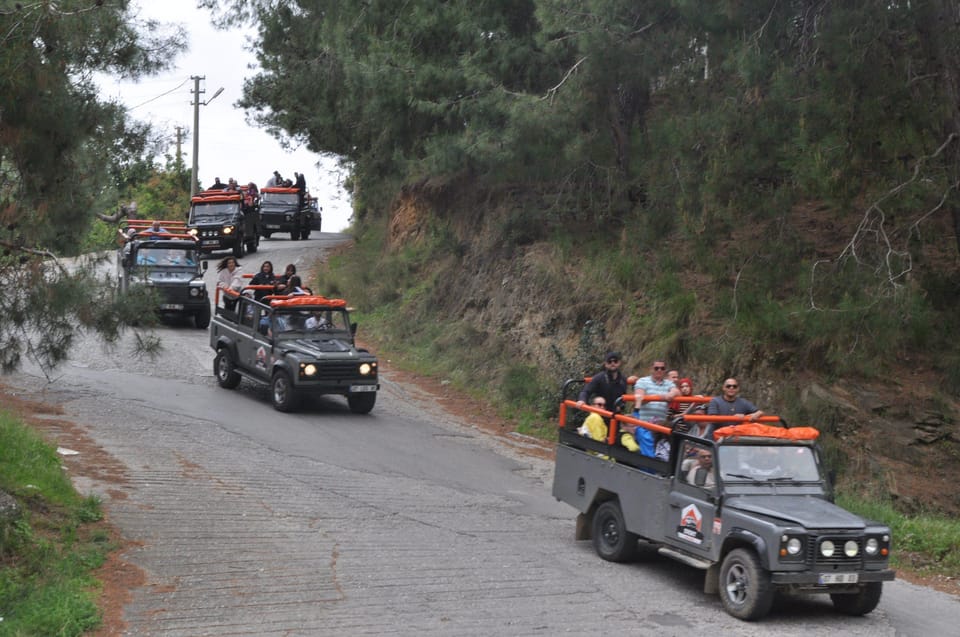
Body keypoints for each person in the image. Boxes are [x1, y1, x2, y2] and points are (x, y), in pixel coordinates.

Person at [631, 360, 679, 456]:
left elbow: (677, 391)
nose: (659, 370)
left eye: (662, 368)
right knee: (646, 451)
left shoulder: (668, 383)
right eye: (656, 368)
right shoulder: (643, 381)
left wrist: (671, 394)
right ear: (651, 369)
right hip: (644, 425)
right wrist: (660, 396)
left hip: (660, 429)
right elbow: (639, 397)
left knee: (661, 452)